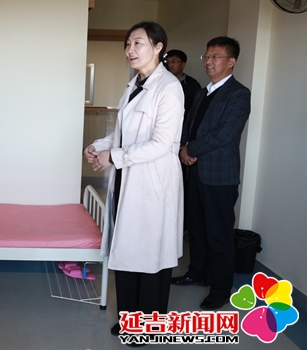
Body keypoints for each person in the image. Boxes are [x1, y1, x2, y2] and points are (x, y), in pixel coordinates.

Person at [83, 21, 184, 344]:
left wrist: (114, 157)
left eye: (138, 43)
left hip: (153, 183)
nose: (130, 49)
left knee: (150, 256)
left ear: (158, 47)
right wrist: (99, 146)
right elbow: (122, 134)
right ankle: (128, 320)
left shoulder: (169, 88)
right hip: (128, 179)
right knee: (126, 250)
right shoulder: (134, 86)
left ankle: (149, 327)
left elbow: (161, 143)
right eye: (128, 43)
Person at [171, 37, 251, 310]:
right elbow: (188, 124)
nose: (208, 61)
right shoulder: (202, 92)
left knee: (218, 233)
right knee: (196, 227)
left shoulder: (238, 94)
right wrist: (182, 148)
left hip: (219, 176)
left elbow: (225, 133)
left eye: (215, 56)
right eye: (206, 56)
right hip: (194, 171)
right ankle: (197, 273)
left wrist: (190, 149)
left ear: (232, 61)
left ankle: (220, 288)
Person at [165, 49, 202, 119]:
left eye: (174, 61)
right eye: (167, 62)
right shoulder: (162, 82)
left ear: (183, 64)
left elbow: (195, 109)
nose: (169, 65)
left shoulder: (192, 85)